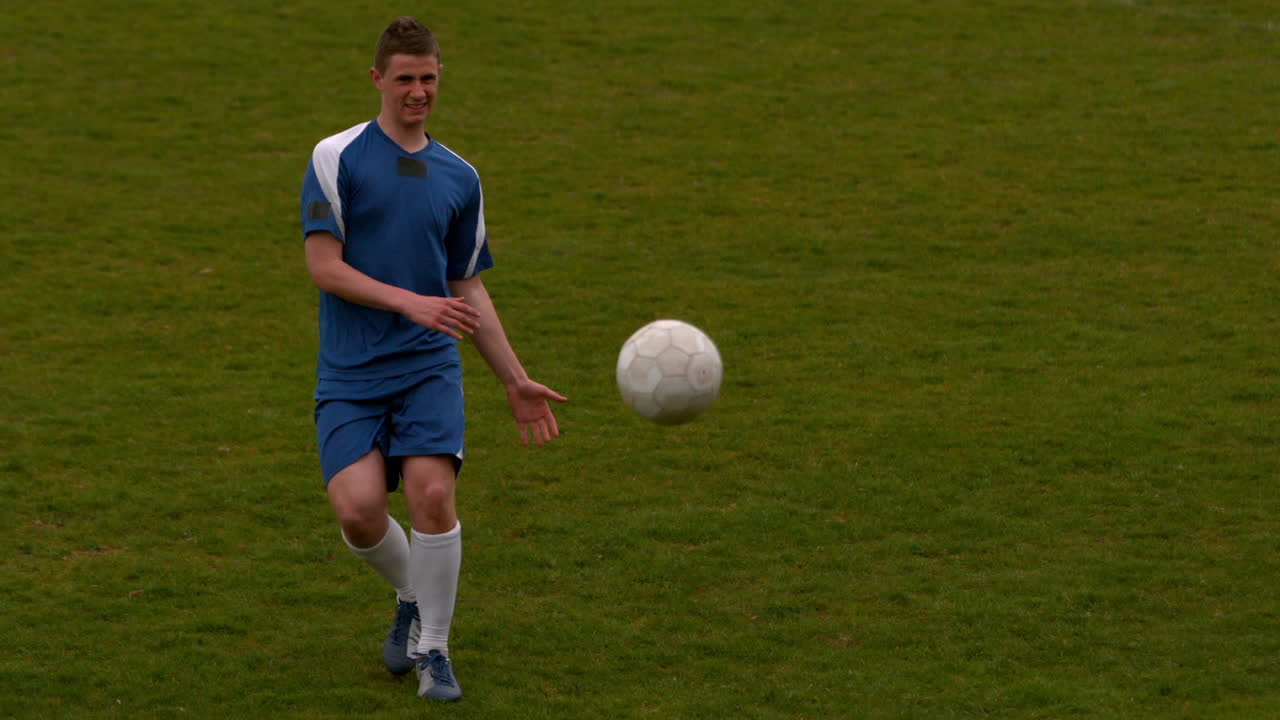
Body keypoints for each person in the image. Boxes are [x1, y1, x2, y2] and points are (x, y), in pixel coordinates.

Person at [298, 16, 566, 703]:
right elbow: (323, 267)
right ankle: (413, 594)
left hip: (427, 365)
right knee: (357, 511)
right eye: (406, 79)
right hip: (353, 368)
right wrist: (407, 302)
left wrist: (514, 379)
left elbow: (466, 284)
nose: (418, 92)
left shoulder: (459, 176)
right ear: (378, 79)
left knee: (433, 495)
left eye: (429, 79)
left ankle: (435, 651)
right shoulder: (336, 156)